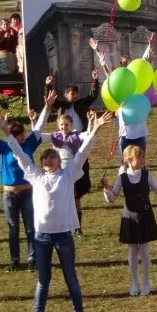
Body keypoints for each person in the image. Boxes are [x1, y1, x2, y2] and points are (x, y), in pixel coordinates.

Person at [0, 110, 112, 312]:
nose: (49, 160)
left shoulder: (68, 174)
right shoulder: (35, 175)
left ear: (59, 162)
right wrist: (7, 134)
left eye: (52, 157)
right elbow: (21, 156)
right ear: (41, 163)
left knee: (71, 278)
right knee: (43, 281)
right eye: (45, 158)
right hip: (41, 238)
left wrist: (96, 128)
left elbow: (82, 152)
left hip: (63, 236)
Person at [0, 98, 51, 272]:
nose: (23, 137)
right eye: (20, 135)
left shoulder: (29, 144)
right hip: (9, 195)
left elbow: (39, 128)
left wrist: (47, 107)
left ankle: (33, 259)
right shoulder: (4, 147)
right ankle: (15, 260)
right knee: (13, 229)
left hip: (28, 193)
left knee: (31, 228)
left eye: (23, 134)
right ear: (13, 137)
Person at [101, 145, 157, 297]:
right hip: (129, 216)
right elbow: (112, 197)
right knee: (132, 250)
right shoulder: (122, 178)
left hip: (144, 214)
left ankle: (145, 282)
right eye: (140, 157)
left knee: (144, 250)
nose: (143, 159)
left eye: (143, 156)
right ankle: (134, 282)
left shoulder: (147, 174)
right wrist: (106, 189)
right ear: (129, 160)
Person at [44, 72, 100, 235]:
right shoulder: (60, 105)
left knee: (82, 165)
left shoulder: (82, 103)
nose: (73, 95)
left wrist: (95, 80)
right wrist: (48, 85)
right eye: (70, 93)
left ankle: (81, 189)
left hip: (79, 138)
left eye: (75, 93)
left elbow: (93, 95)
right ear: (65, 94)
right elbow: (50, 99)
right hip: (63, 142)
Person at [91, 34, 156, 160]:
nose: (128, 66)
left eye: (130, 64)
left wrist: (150, 46)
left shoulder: (136, 80)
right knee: (125, 163)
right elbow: (107, 65)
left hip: (139, 133)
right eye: (125, 64)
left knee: (140, 162)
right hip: (124, 133)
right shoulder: (118, 80)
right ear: (121, 66)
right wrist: (97, 49)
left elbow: (141, 63)